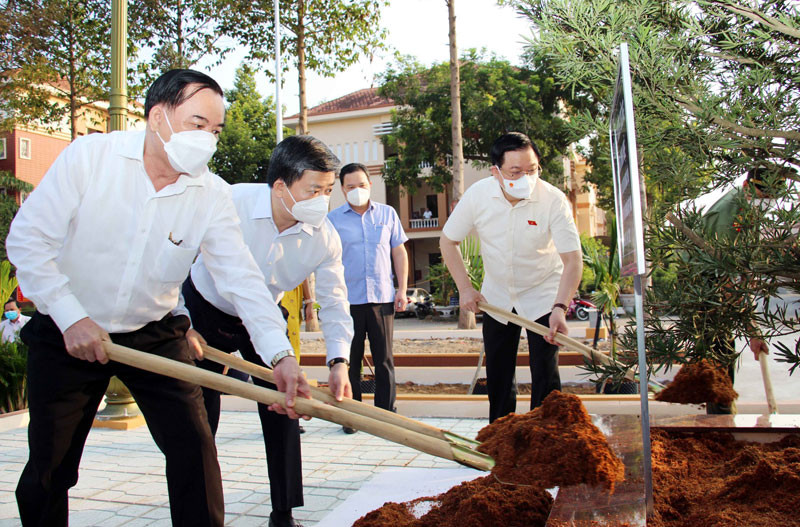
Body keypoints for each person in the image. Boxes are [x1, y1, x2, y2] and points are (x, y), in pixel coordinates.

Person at [6, 69, 310, 527]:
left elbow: (242, 279)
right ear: (156, 118)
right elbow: (27, 242)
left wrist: (280, 356)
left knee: (194, 449)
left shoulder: (210, 193)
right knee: (50, 466)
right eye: (197, 124)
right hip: (69, 327)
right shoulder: (91, 159)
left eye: (215, 130)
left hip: (152, 330)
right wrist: (71, 318)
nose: (208, 139)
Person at [184, 135, 353, 527]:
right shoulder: (230, 203)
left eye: (328, 191)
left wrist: (339, 361)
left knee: (284, 403)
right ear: (280, 186)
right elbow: (177, 256)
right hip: (205, 307)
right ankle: (202, 514)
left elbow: (334, 301)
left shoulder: (324, 237)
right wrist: (184, 324)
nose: (323, 201)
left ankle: (284, 511)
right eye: (314, 190)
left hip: (263, 317)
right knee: (199, 417)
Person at [440, 132, 582, 423]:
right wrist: (465, 289)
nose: (525, 178)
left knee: (545, 372)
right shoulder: (479, 196)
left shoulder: (553, 200)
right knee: (499, 372)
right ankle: (500, 437)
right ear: (496, 171)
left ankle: (545, 439)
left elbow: (572, 260)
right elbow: (447, 241)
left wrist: (560, 307)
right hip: (498, 298)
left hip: (544, 297)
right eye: (515, 172)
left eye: (532, 170)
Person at [328, 162, 409, 429]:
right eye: (350, 187)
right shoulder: (332, 220)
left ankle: (386, 416)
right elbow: (327, 260)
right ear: (342, 188)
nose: (357, 190)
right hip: (347, 301)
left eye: (361, 185)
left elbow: (398, 251)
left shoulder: (387, 215)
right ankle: (351, 416)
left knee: (384, 360)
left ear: (370, 184)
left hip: (382, 299)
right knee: (349, 363)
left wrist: (402, 289)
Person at [695, 167, 777, 414]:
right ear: (747, 185)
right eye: (763, 198)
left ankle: (722, 411)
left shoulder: (746, 211)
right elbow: (727, 283)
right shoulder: (728, 216)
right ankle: (720, 419)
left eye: (771, 199)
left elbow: (742, 269)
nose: (767, 204)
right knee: (719, 353)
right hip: (704, 287)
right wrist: (752, 330)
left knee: (723, 353)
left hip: (720, 283)